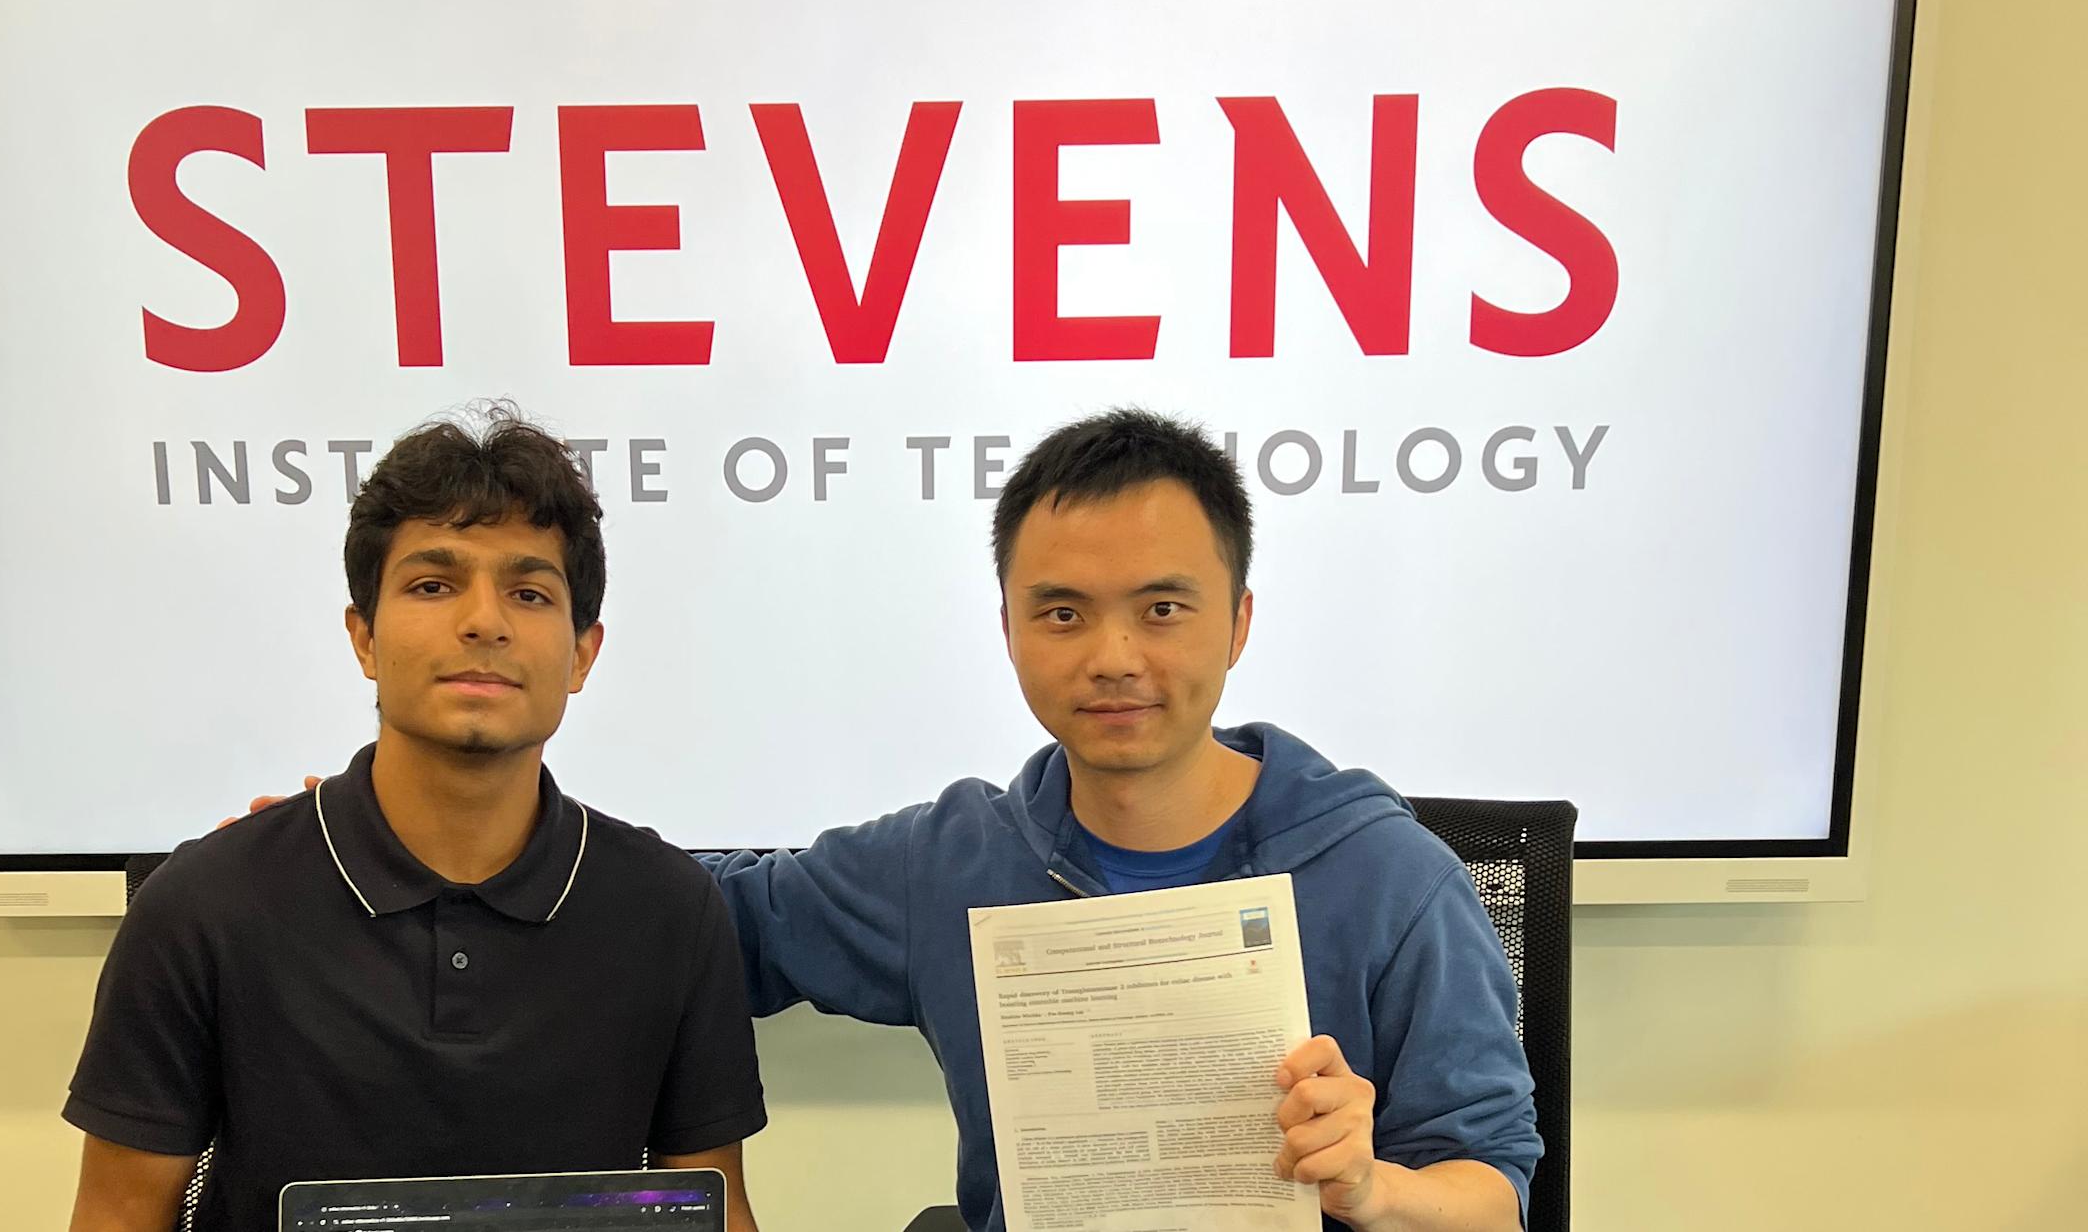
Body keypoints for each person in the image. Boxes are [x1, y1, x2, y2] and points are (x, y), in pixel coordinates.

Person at [257, 408, 1539, 1232]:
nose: (1112, 657)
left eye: (1163, 609)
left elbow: (1495, 1187)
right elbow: (686, 910)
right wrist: (397, 839)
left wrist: (1372, 1187)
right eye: (1061, 612)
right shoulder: (956, 862)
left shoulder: (1385, 874)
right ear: (1008, 629)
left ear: (1239, 620)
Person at [66, 408, 766, 1232]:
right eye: (433, 585)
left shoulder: (670, 910)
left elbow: (715, 1206)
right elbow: (117, 1214)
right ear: (364, 637)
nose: (484, 622)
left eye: (529, 593)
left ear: (582, 653)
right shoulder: (203, 906)